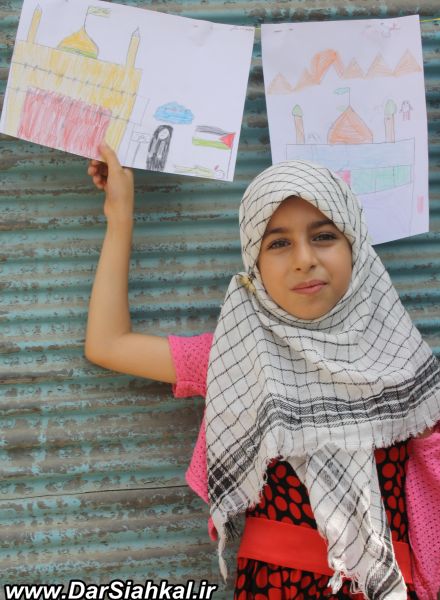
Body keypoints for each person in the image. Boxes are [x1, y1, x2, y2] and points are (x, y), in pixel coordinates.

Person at [85, 143, 440, 600]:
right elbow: (108, 343)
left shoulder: (405, 365)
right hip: (275, 588)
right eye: (278, 243)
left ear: (355, 245)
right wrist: (120, 216)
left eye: (324, 235)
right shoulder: (236, 357)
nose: (304, 258)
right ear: (254, 262)